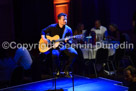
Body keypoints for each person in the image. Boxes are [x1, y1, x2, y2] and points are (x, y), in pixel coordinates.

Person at [41, 13, 77, 77]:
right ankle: (57, 71)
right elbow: (43, 31)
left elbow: (70, 42)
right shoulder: (52, 27)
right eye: (63, 19)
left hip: (64, 46)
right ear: (59, 20)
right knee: (55, 54)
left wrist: (68, 41)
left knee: (74, 53)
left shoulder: (68, 29)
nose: (65, 21)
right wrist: (44, 39)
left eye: (66, 19)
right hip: (55, 47)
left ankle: (67, 69)